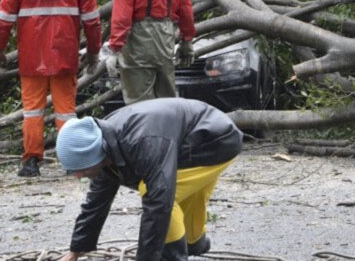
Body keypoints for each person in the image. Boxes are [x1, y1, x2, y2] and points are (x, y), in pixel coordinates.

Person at [56, 98, 243, 260]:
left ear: (94, 154)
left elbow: (159, 204)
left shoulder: (140, 143)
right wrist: (76, 250)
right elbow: (96, 201)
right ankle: (194, 243)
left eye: (80, 169)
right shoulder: (103, 142)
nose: (78, 176)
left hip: (215, 140)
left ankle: (174, 256)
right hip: (191, 135)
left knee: (158, 193)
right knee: (182, 195)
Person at [0, 0, 102, 177]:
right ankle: (71, 161)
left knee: (32, 111)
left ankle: (31, 162)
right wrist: (94, 53)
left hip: (31, 58)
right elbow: (92, 21)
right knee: (66, 111)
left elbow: (3, 21)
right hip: (65, 57)